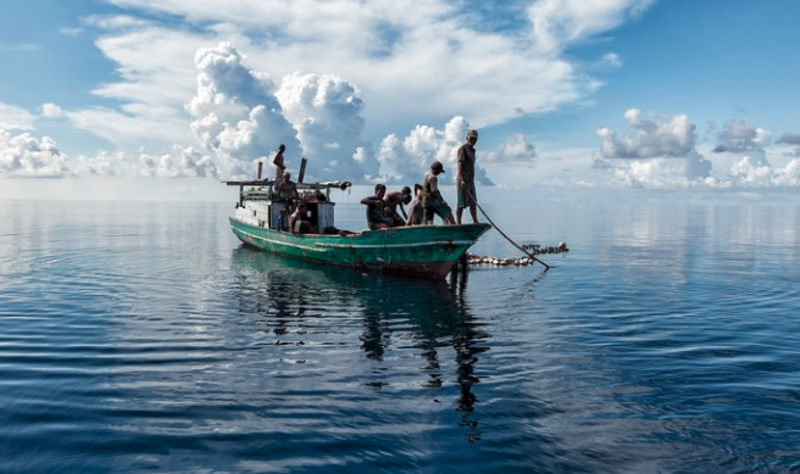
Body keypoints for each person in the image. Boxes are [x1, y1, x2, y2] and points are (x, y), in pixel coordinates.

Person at [456, 129, 480, 224]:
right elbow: (460, 164)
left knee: (473, 202)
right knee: (461, 203)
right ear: (467, 138)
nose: (473, 140)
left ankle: (475, 221)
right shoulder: (463, 149)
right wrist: (462, 179)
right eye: (471, 138)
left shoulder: (473, 151)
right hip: (463, 180)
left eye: (475, 139)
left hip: (470, 181)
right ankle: (458, 223)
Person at [422, 161, 455, 225]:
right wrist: (441, 201)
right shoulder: (433, 177)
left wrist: (442, 199)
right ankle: (454, 225)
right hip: (431, 200)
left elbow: (436, 190)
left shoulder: (428, 175)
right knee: (447, 211)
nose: (439, 173)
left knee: (429, 219)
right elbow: (434, 191)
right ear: (437, 170)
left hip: (425, 202)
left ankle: (430, 229)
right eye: (439, 171)